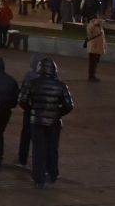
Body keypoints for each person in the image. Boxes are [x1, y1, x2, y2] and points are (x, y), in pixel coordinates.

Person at [19, 57, 75, 187]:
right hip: (54, 122)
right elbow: (69, 105)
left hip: (37, 122)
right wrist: (58, 113)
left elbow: (22, 100)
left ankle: (39, 178)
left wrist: (32, 110)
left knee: (38, 149)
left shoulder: (32, 83)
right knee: (52, 148)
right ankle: (53, 173)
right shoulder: (61, 86)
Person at [84, 13, 108, 82]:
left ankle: (93, 75)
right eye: (97, 18)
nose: (99, 19)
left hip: (98, 47)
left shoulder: (99, 26)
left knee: (95, 62)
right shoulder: (91, 25)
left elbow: (102, 36)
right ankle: (91, 76)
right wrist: (94, 24)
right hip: (93, 47)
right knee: (92, 62)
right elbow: (90, 32)